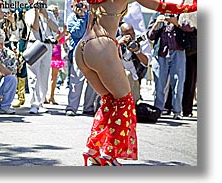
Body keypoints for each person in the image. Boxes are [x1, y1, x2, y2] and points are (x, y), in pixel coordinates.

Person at [74, 0, 197, 166]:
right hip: (102, 45)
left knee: (110, 100)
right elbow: (161, 6)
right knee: (124, 101)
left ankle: (94, 149)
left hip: (83, 47)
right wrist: (195, 5)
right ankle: (108, 153)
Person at [147, 12, 195, 120]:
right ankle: (158, 109)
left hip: (178, 52)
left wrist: (176, 22)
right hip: (161, 53)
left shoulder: (181, 15)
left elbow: (190, 28)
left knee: (178, 82)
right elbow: (150, 36)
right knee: (160, 83)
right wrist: (157, 23)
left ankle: (177, 111)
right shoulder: (156, 15)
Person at [24, 0, 59, 114]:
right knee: (33, 75)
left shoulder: (49, 13)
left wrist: (46, 15)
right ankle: (34, 103)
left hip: (47, 45)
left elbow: (55, 29)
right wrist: (36, 11)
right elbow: (34, 27)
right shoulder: (29, 12)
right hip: (34, 44)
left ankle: (41, 102)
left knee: (44, 75)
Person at [65, 0, 97, 116]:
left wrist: (88, 12)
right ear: (72, 6)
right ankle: (72, 107)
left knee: (93, 80)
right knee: (76, 80)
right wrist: (82, 17)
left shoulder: (92, 16)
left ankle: (88, 107)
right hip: (78, 51)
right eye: (77, 5)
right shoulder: (71, 18)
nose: (79, 7)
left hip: (92, 51)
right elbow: (77, 33)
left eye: (81, 5)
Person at [118, 22, 152, 104]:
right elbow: (109, 57)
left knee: (133, 104)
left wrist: (137, 51)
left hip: (135, 78)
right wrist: (118, 44)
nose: (130, 36)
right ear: (122, 34)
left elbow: (146, 62)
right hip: (117, 77)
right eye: (126, 34)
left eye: (131, 33)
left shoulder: (141, 41)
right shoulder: (117, 41)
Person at [45, 5, 67, 105]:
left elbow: (61, 41)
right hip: (52, 51)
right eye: (55, 12)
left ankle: (50, 96)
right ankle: (48, 96)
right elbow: (56, 39)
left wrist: (66, 36)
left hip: (56, 52)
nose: (57, 13)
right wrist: (64, 33)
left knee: (53, 77)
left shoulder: (56, 25)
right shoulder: (51, 25)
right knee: (49, 76)